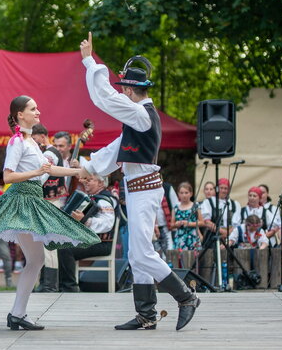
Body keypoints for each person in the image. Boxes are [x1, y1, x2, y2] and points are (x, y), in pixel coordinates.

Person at [0, 95, 98, 330]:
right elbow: (8, 176)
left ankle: (18, 313)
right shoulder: (16, 141)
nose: (38, 112)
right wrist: (37, 171)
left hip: (33, 199)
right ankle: (17, 313)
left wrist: (78, 172)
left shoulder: (32, 143)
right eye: (33, 109)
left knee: (36, 260)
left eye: (37, 108)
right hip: (22, 201)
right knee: (35, 259)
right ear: (20, 115)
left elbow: (48, 169)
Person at [79, 32, 200, 331]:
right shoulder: (137, 117)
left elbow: (105, 98)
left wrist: (89, 62)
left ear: (131, 90)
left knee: (142, 252)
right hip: (137, 191)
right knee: (137, 253)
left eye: (125, 89)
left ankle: (186, 297)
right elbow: (117, 147)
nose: (122, 94)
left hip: (145, 190)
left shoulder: (142, 115)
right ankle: (147, 314)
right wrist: (87, 165)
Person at [58, 172, 117, 292]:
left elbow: (107, 224)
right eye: (85, 179)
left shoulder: (105, 201)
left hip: (102, 243)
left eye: (90, 180)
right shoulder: (89, 198)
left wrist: (85, 220)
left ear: (100, 183)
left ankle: (70, 287)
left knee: (65, 248)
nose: (85, 182)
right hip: (90, 241)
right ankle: (59, 284)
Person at [31, 124, 68, 292]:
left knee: (49, 244)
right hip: (49, 202)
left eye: (34, 138)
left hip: (50, 202)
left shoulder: (49, 153)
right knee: (44, 242)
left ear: (42, 136)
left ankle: (50, 285)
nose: (32, 141)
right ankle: (45, 282)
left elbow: (40, 177)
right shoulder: (47, 152)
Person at [171, 182, 203, 251]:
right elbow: (172, 224)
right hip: (180, 237)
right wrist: (176, 224)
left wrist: (189, 223)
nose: (184, 195)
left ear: (191, 194)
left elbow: (202, 222)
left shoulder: (195, 206)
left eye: (186, 193)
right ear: (178, 194)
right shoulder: (175, 208)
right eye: (181, 193)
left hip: (193, 236)